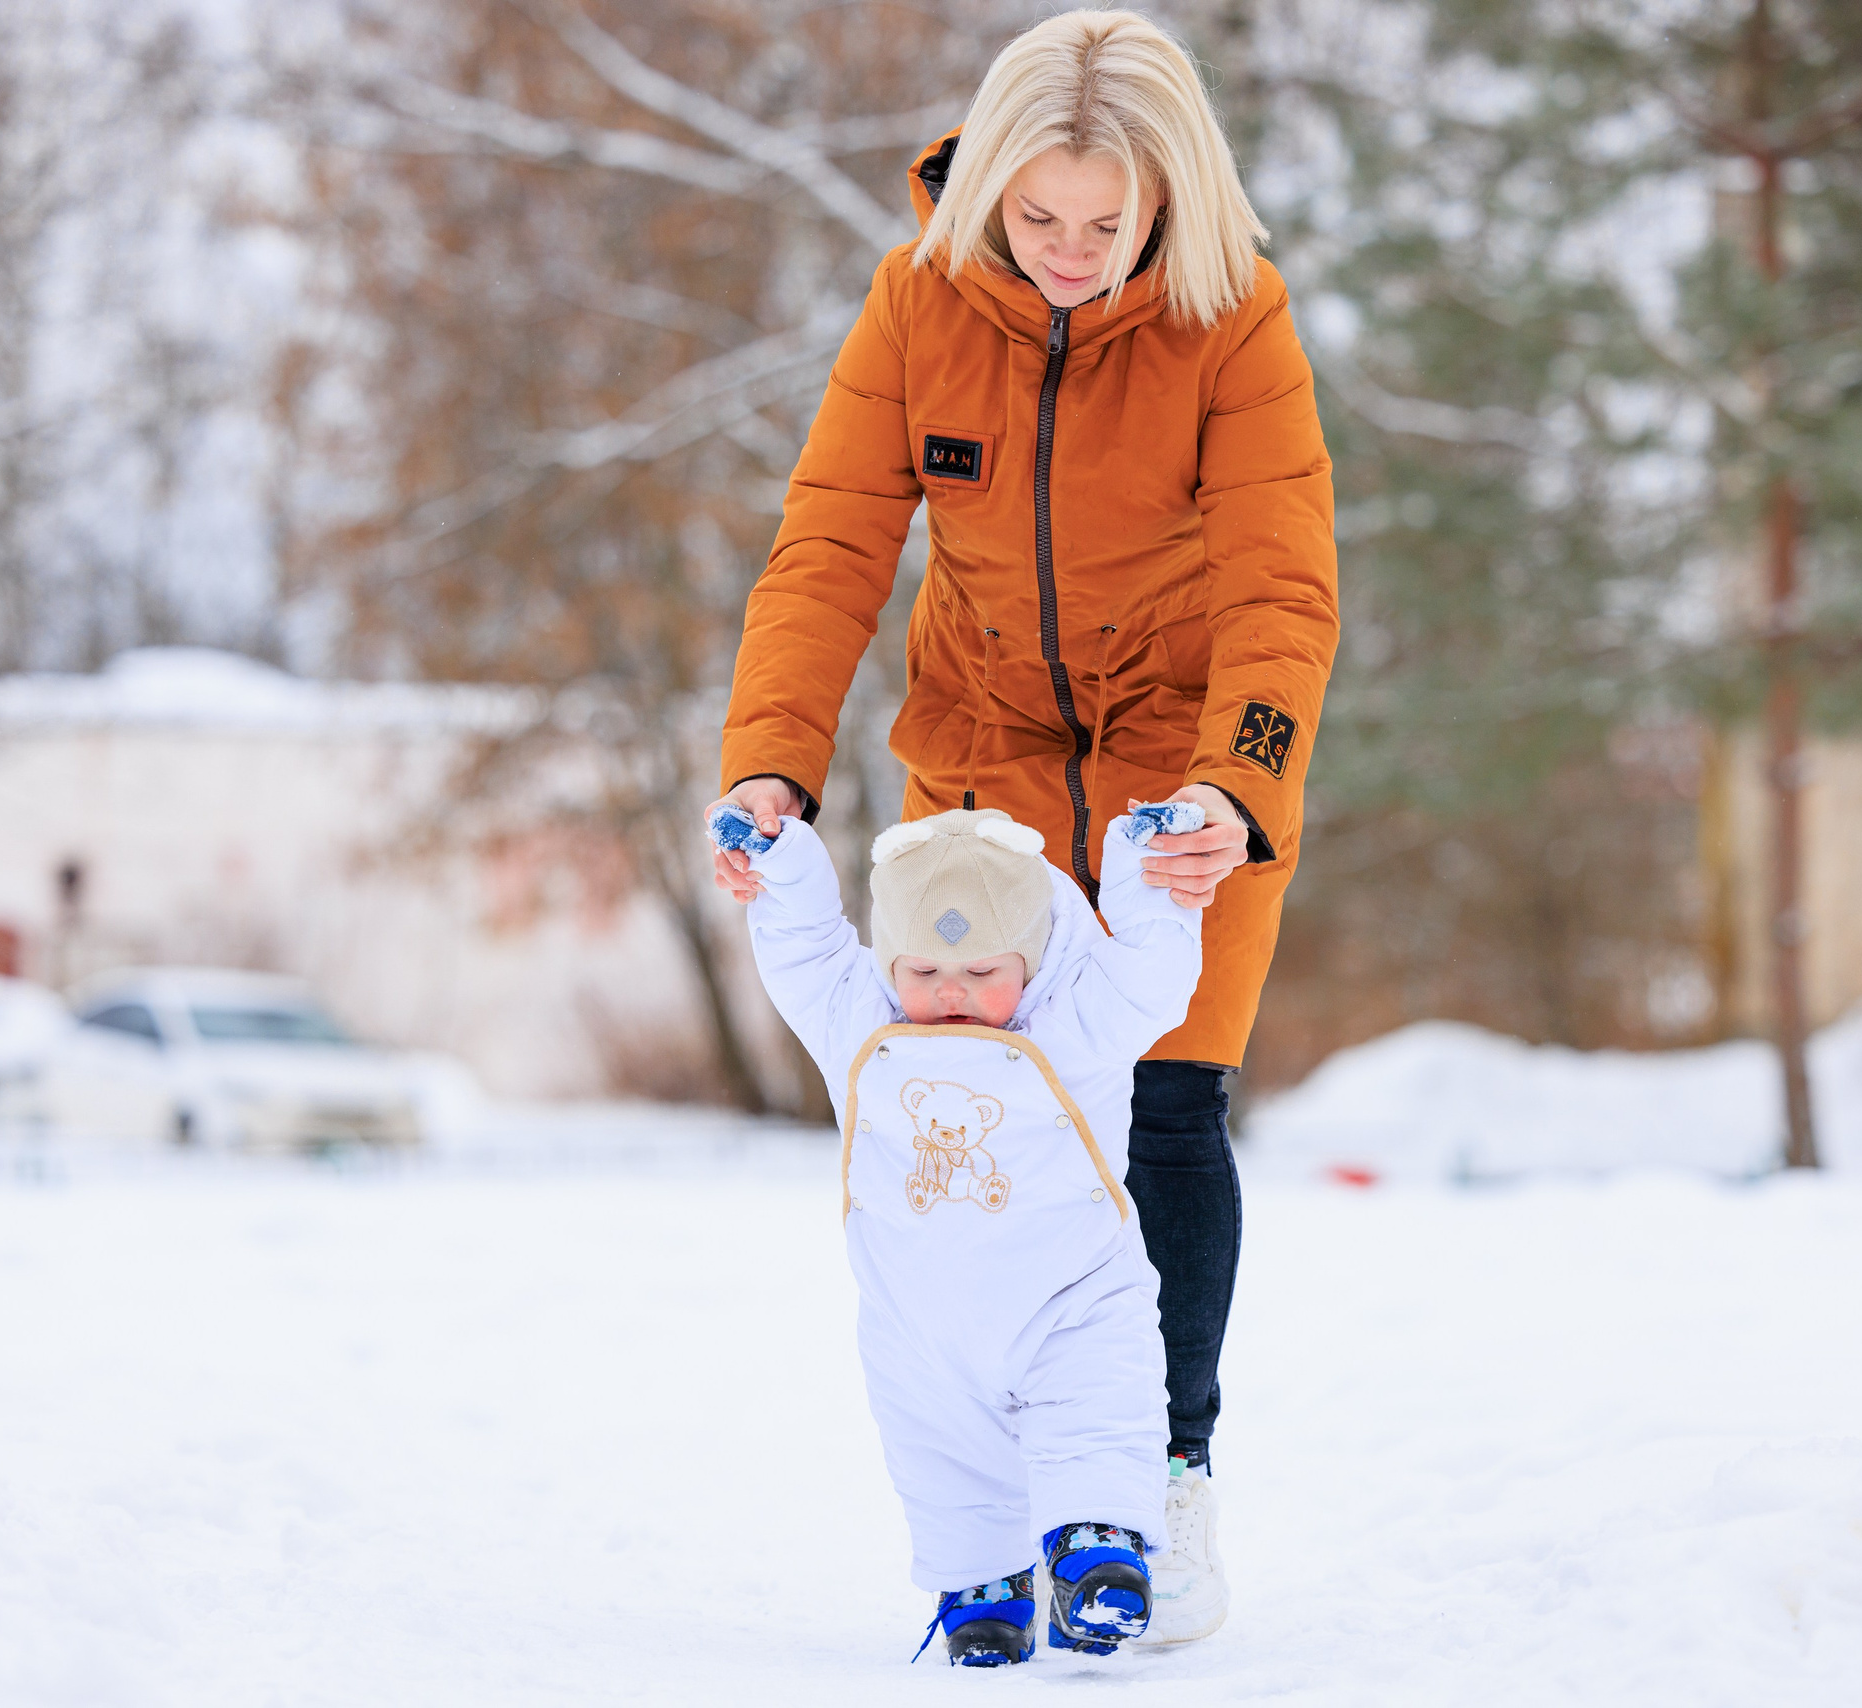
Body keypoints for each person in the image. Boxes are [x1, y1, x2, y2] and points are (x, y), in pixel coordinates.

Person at [706, 8, 1338, 1642]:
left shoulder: (1234, 318)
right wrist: (771, 763)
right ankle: (1003, 1493)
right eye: (1037, 218)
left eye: (1103, 223)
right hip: (977, 769)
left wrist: (1240, 790)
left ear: (1164, 203)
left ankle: (1162, 1473)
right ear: (986, 190)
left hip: (1175, 778)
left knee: (1169, 1106)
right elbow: (833, 540)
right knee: (966, 1124)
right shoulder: (922, 299)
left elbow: (1282, 588)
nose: (1067, 253)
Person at [734, 801, 1201, 1664]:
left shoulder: (1077, 1019)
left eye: (985, 971)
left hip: (1073, 1299)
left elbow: (1151, 972)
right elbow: (801, 949)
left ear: (1035, 955)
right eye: (923, 970)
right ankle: (981, 1584)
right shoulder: (857, 1021)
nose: (951, 994)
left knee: (1094, 1412)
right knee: (941, 1454)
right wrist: (780, 858)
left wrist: (1140, 866)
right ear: (889, 961)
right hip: (921, 1322)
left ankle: (1096, 1549)